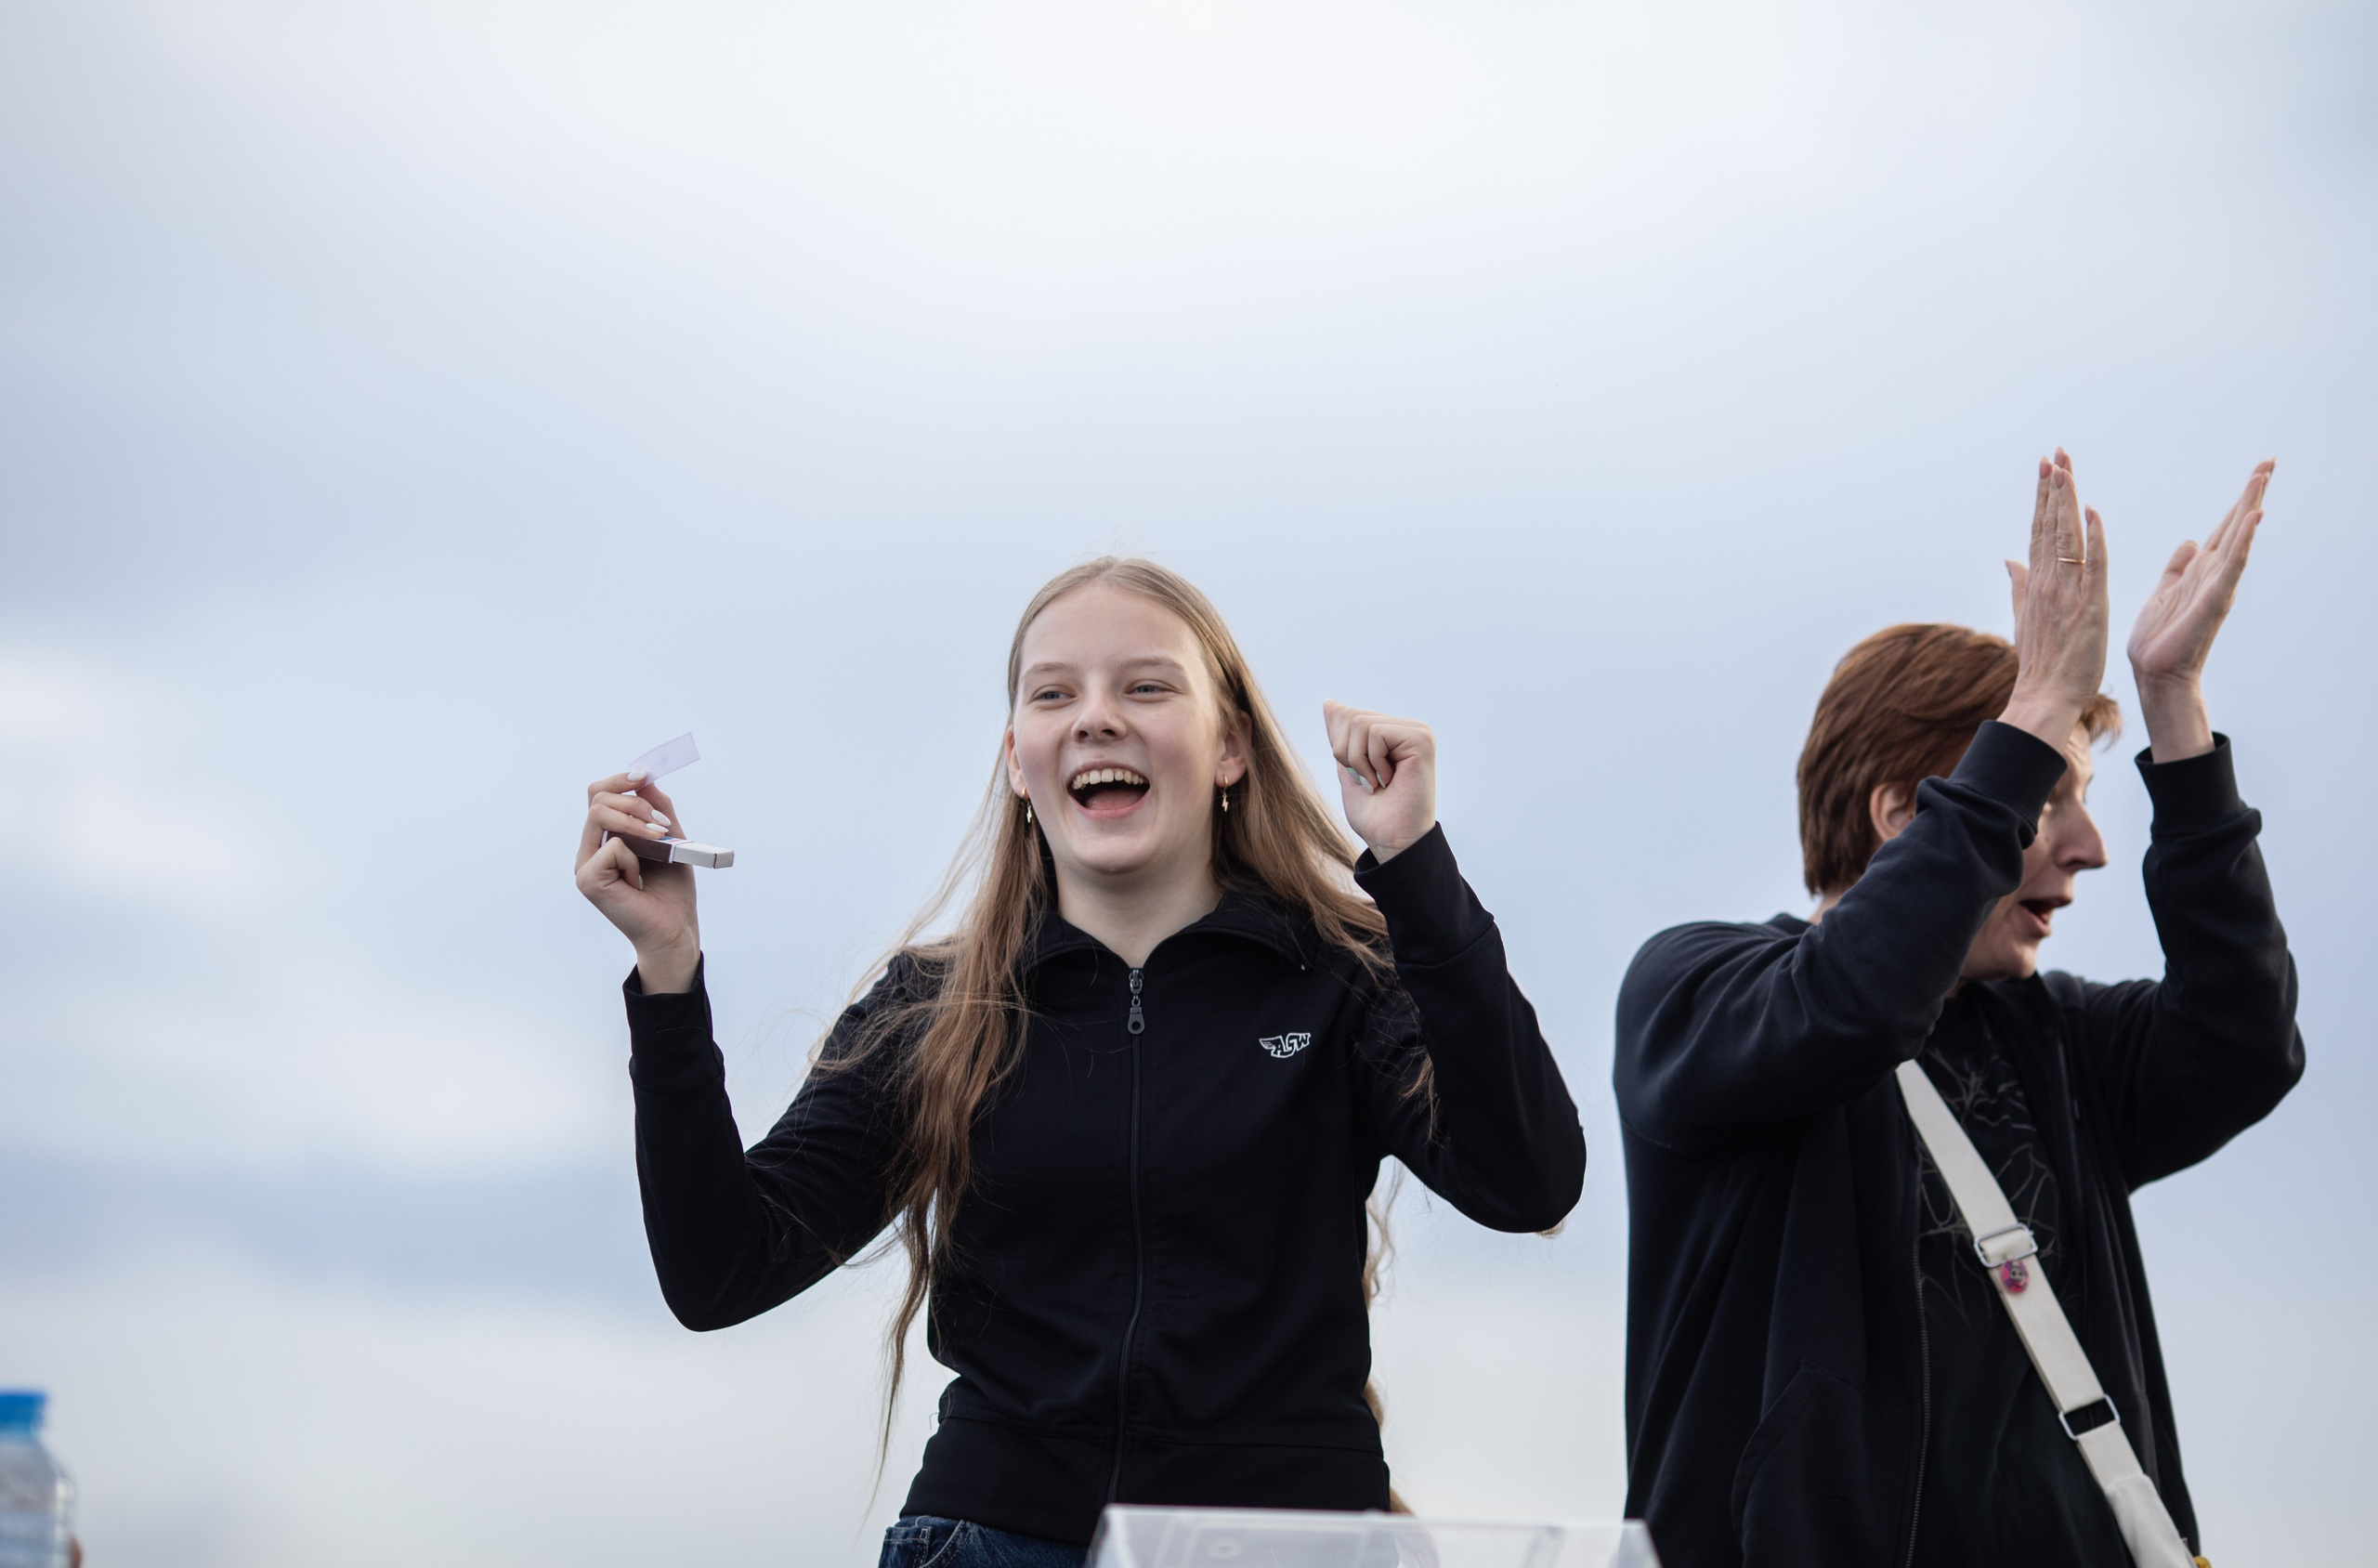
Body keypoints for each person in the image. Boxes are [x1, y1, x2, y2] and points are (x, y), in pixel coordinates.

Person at [575, 558, 1586, 1566]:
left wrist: (1415, 869)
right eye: (1054, 693)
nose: (1095, 716)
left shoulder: (1344, 980)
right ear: (1019, 757)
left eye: (1146, 685)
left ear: (1229, 744)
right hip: (993, 1537)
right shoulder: (937, 1004)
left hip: (1293, 1538)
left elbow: (1527, 1177)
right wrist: (668, 972)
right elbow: (720, 1269)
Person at [1613, 453, 2302, 1567]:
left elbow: (2244, 1040)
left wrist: (2175, 720)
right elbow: (1852, 1002)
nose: (2088, 849)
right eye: (2047, 798)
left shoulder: (2060, 1042)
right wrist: (2032, 708)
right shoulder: (1696, 993)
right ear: (1905, 814)